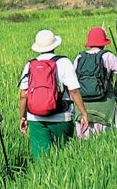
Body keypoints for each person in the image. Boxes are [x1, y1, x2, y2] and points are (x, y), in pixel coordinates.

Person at [18, 29, 88, 159]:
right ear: (55, 45)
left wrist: (23, 117)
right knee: (63, 156)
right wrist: (83, 113)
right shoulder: (64, 62)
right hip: (61, 115)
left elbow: (23, 94)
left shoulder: (30, 64)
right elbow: (74, 90)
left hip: (35, 117)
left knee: (41, 159)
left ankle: (41, 178)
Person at [73, 27, 117, 139]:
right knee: (104, 139)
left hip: (82, 106)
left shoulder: (79, 57)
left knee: (84, 140)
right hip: (104, 105)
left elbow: (72, 80)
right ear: (103, 43)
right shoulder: (108, 56)